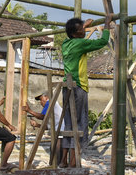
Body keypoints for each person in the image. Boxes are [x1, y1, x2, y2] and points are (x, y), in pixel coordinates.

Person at [61, 14, 112, 167]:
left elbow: (77, 34)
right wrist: (107, 25)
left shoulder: (66, 43)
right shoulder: (80, 43)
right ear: (76, 34)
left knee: (69, 125)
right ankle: (74, 161)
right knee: (81, 125)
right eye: (81, 30)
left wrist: (83, 27)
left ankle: (64, 161)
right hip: (79, 87)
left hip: (67, 86)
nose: (84, 31)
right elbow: (102, 41)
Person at [23, 91, 66, 166]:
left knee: (56, 150)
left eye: (41, 99)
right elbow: (48, 126)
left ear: (46, 97)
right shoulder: (51, 106)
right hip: (57, 130)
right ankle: (54, 167)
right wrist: (37, 125)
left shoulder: (50, 102)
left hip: (60, 131)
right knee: (54, 150)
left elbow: (43, 117)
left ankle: (56, 167)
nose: (40, 102)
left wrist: (29, 110)